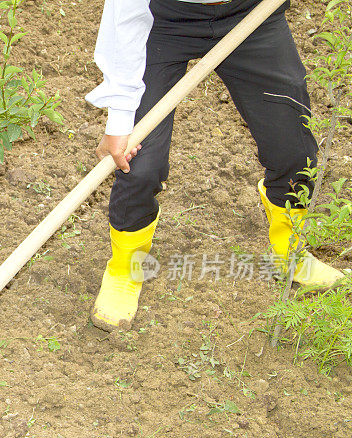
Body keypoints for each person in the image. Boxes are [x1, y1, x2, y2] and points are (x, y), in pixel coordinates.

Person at [85, 0, 345, 332]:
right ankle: (125, 269)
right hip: (162, 19)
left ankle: (289, 250)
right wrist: (119, 118)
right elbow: (125, 12)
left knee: (294, 149)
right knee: (140, 163)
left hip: (253, 12)